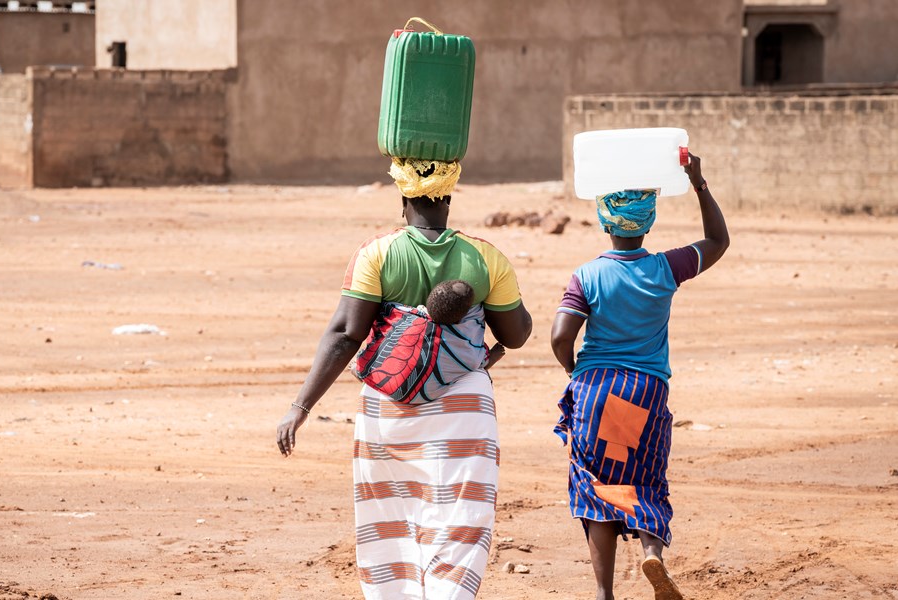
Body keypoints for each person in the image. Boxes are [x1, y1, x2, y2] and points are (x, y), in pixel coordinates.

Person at [276, 157, 533, 599]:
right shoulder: (485, 257)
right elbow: (517, 333)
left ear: (403, 199)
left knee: (388, 519)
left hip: (386, 406)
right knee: (459, 520)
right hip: (464, 406)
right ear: (449, 199)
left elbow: (345, 334)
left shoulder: (377, 253)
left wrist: (300, 407)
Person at [549, 154, 728, 600]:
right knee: (645, 477)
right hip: (645, 390)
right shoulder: (666, 268)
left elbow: (558, 337)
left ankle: (603, 592)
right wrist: (699, 182)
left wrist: (575, 370)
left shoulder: (587, 275)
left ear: (605, 222)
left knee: (596, 485)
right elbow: (717, 241)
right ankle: (653, 553)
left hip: (596, 390)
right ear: (647, 224)